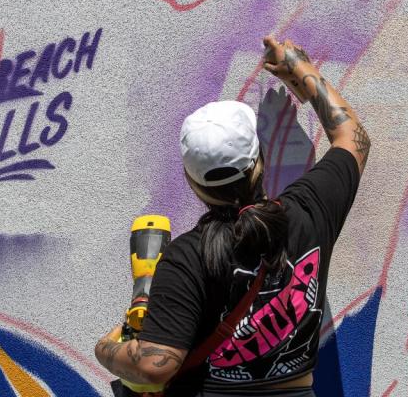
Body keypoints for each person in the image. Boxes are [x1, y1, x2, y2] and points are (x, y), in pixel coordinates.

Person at [95, 36, 370, 396]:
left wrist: (107, 349)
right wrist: (297, 66)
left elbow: (152, 365)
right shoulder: (309, 210)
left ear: (193, 182)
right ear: (259, 162)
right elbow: (352, 136)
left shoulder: (186, 258)